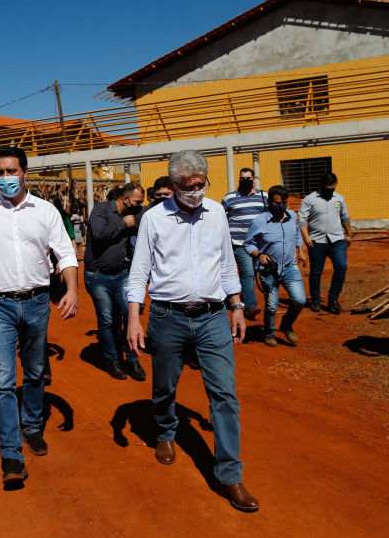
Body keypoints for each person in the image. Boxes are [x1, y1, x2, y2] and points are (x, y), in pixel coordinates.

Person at [126, 149, 258, 513]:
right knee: (165, 385)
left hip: (214, 316)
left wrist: (236, 306)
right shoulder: (153, 219)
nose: (197, 191)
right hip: (167, 317)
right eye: (189, 186)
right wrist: (135, 318)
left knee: (224, 395)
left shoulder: (217, 212)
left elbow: (227, 263)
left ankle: (230, 474)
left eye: (202, 184)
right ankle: (166, 431)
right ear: (172, 185)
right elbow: (139, 274)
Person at [0, 146, 78, 486]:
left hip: (38, 301)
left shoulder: (46, 211)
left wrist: (72, 290)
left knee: (37, 370)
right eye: (0, 172)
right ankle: (11, 454)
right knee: (3, 379)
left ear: (25, 172)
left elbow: (66, 253)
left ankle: (32, 425)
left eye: (12, 171)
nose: (6, 178)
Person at [83, 182, 147, 380]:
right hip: (97, 276)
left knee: (130, 314)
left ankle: (132, 359)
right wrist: (123, 224)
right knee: (107, 319)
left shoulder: (136, 215)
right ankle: (112, 360)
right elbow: (99, 233)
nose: (139, 205)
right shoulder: (102, 209)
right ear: (125, 198)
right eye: (137, 201)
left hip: (121, 275)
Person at [243, 186, 308, 347]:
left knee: (300, 300)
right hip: (269, 270)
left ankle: (286, 324)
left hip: (289, 266)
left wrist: (301, 251)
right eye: (278, 203)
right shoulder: (259, 221)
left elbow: (296, 233)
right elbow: (248, 244)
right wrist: (259, 255)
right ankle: (269, 333)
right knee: (272, 305)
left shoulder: (292, 216)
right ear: (270, 202)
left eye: (284, 203)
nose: (281, 206)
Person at [299, 173, 352, 313]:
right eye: (327, 188)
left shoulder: (339, 199)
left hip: (337, 239)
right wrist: (307, 237)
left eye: (333, 188)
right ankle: (315, 300)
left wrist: (349, 234)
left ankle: (333, 299)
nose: (330, 190)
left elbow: (344, 217)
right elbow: (302, 220)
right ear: (320, 185)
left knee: (341, 267)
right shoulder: (309, 199)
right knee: (316, 271)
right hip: (317, 241)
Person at [222, 168, 268, 320]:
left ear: (254, 179)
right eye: (242, 179)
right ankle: (251, 305)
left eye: (248, 178)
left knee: (256, 272)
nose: (245, 181)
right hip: (239, 243)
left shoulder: (263, 196)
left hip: (260, 244)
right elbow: (222, 219)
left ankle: (243, 297)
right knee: (247, 273)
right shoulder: (230, 198)